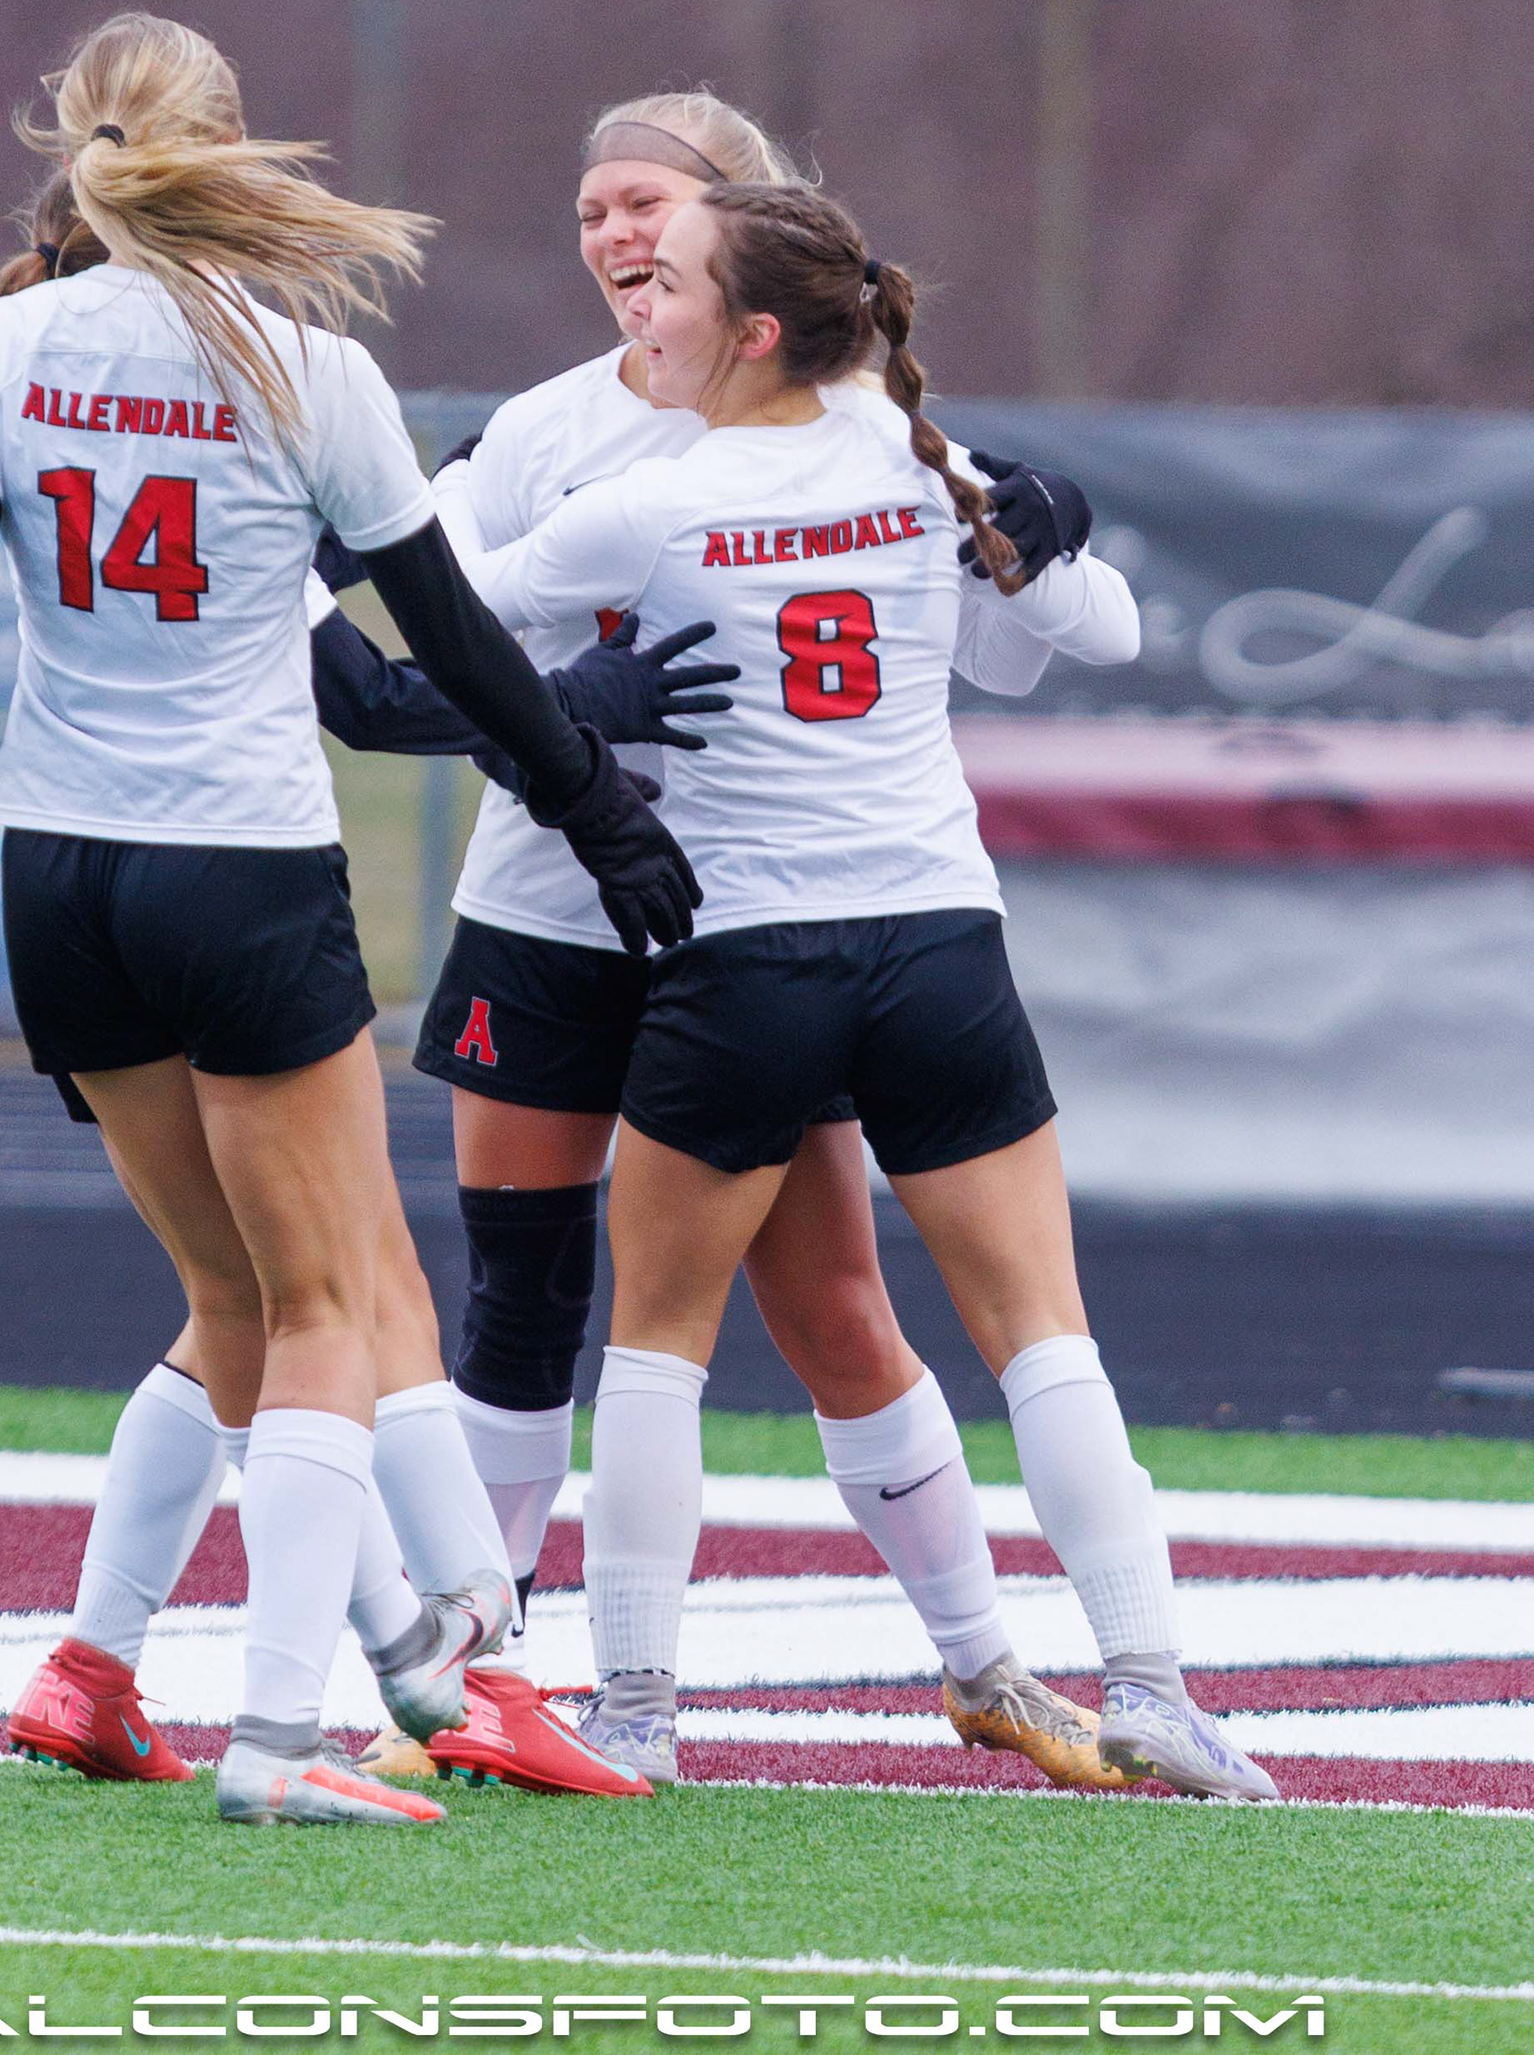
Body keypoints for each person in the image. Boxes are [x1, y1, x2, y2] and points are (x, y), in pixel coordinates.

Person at [0, 11, 699, 1828]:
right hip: (238, 868)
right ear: (227, 146)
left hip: (59, 876)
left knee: (236, 1298)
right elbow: (451, 645)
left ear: (75, 146)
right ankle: (287, 1742)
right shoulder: (309, 369)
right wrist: (596, 806)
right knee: (332, 1301)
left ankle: (122, 1670)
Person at [451, 175, 1280, 1805]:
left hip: (745, 958)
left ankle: (636, 1712)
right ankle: (1153, 1687)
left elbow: (457, 616)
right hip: (936, 950)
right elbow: (1100, 632)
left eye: (676, 281)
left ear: (757, 330)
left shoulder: (658, 502)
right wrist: (1046, 526)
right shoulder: (922, 465)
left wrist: (525, 625)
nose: (643, 305)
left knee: (658, 1348)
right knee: (1043, 1337)